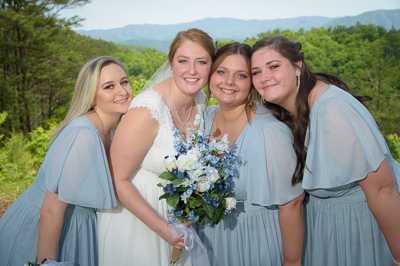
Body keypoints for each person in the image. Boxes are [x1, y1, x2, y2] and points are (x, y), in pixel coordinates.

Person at [251, 35, 400, 266]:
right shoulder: (295, 109)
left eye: (274, 66)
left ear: (297, 67)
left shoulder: (331, 109)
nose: (264, 78)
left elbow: (383, 189)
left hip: (362, 234)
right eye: (256, 72)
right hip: (328, 234)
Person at [97, 28, 215, 266]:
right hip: (136, 220)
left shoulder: (201, 100)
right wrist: (163, 228)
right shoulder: (147, 109)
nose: (192, 71)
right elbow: (116, 180)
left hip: (177, 217)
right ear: (171, 64)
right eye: (183, 61)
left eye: (201, 62)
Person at [0, 56, 132, 266]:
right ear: (91, 97)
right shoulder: (84, 135)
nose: (123, 92)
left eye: (124, 82)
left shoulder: (111, 130)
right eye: (109, 86)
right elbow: (51, 210)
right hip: (43, 230)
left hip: (76, 228)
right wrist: (47, 263)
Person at [197, 42, 305, 266]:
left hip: (255, 244)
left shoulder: (268, 131)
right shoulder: (203, 118)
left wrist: (292, 261)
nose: (229, 82)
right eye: (222, 72)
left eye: (241, 75)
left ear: (253, 82)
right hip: (209, 242)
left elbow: (292, 204)